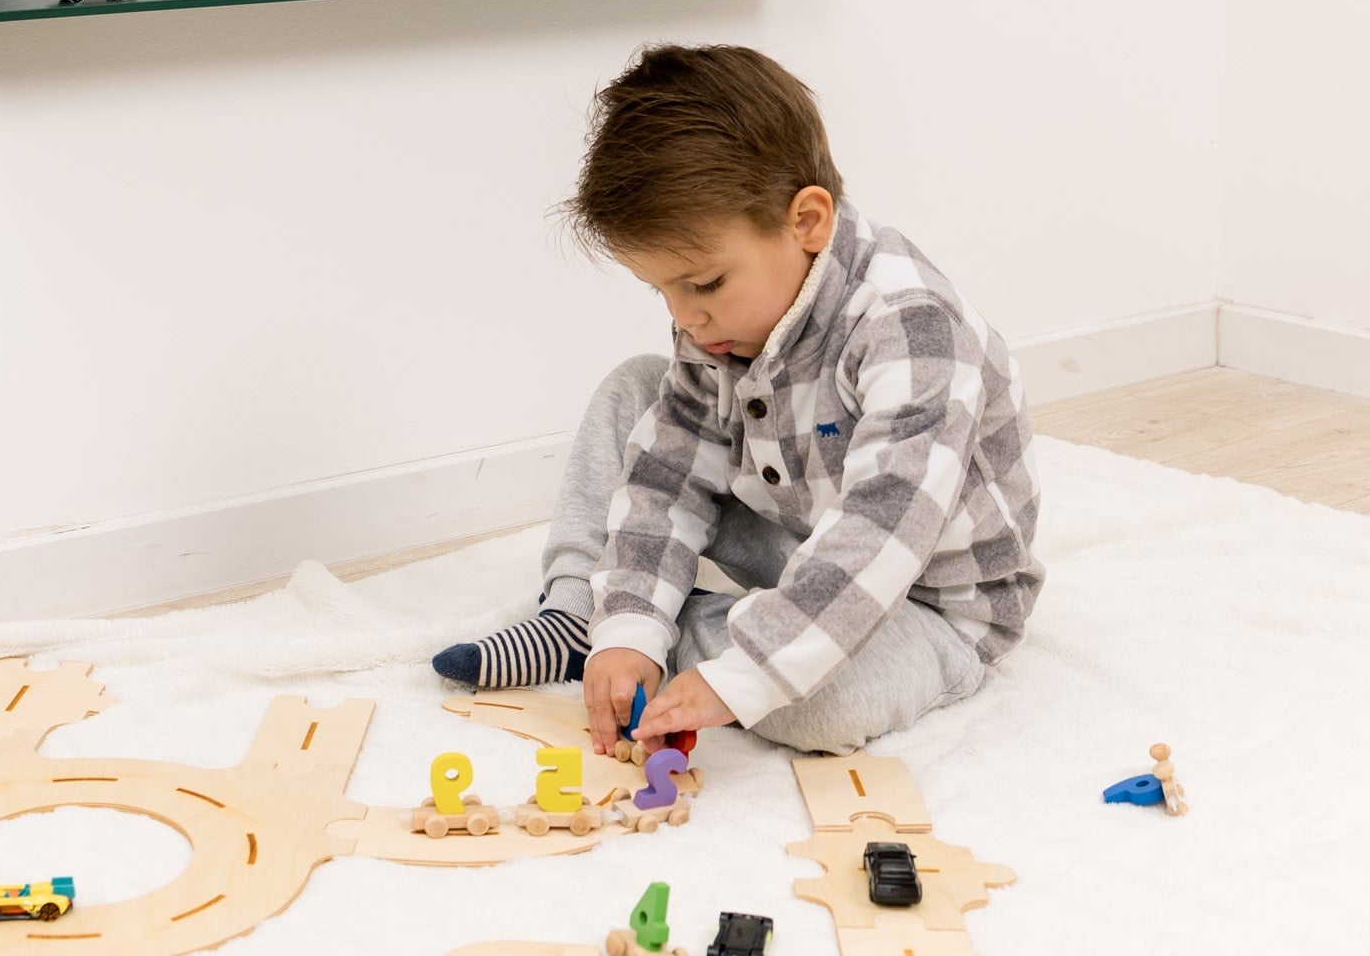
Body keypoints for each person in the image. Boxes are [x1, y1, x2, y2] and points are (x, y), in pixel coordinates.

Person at [432, 44, 1043, 756]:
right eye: (660, 290)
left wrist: (746, 673)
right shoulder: (720, 325)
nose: (685, 317)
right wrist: (628, 630)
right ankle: (583, 616)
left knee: (814, 708)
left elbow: (880, 533)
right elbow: (667, 478)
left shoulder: (912, 325)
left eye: (705, 284)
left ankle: (687, 627)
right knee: (637, 389)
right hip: (800, 536)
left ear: (807, 221)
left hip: (926, 603)